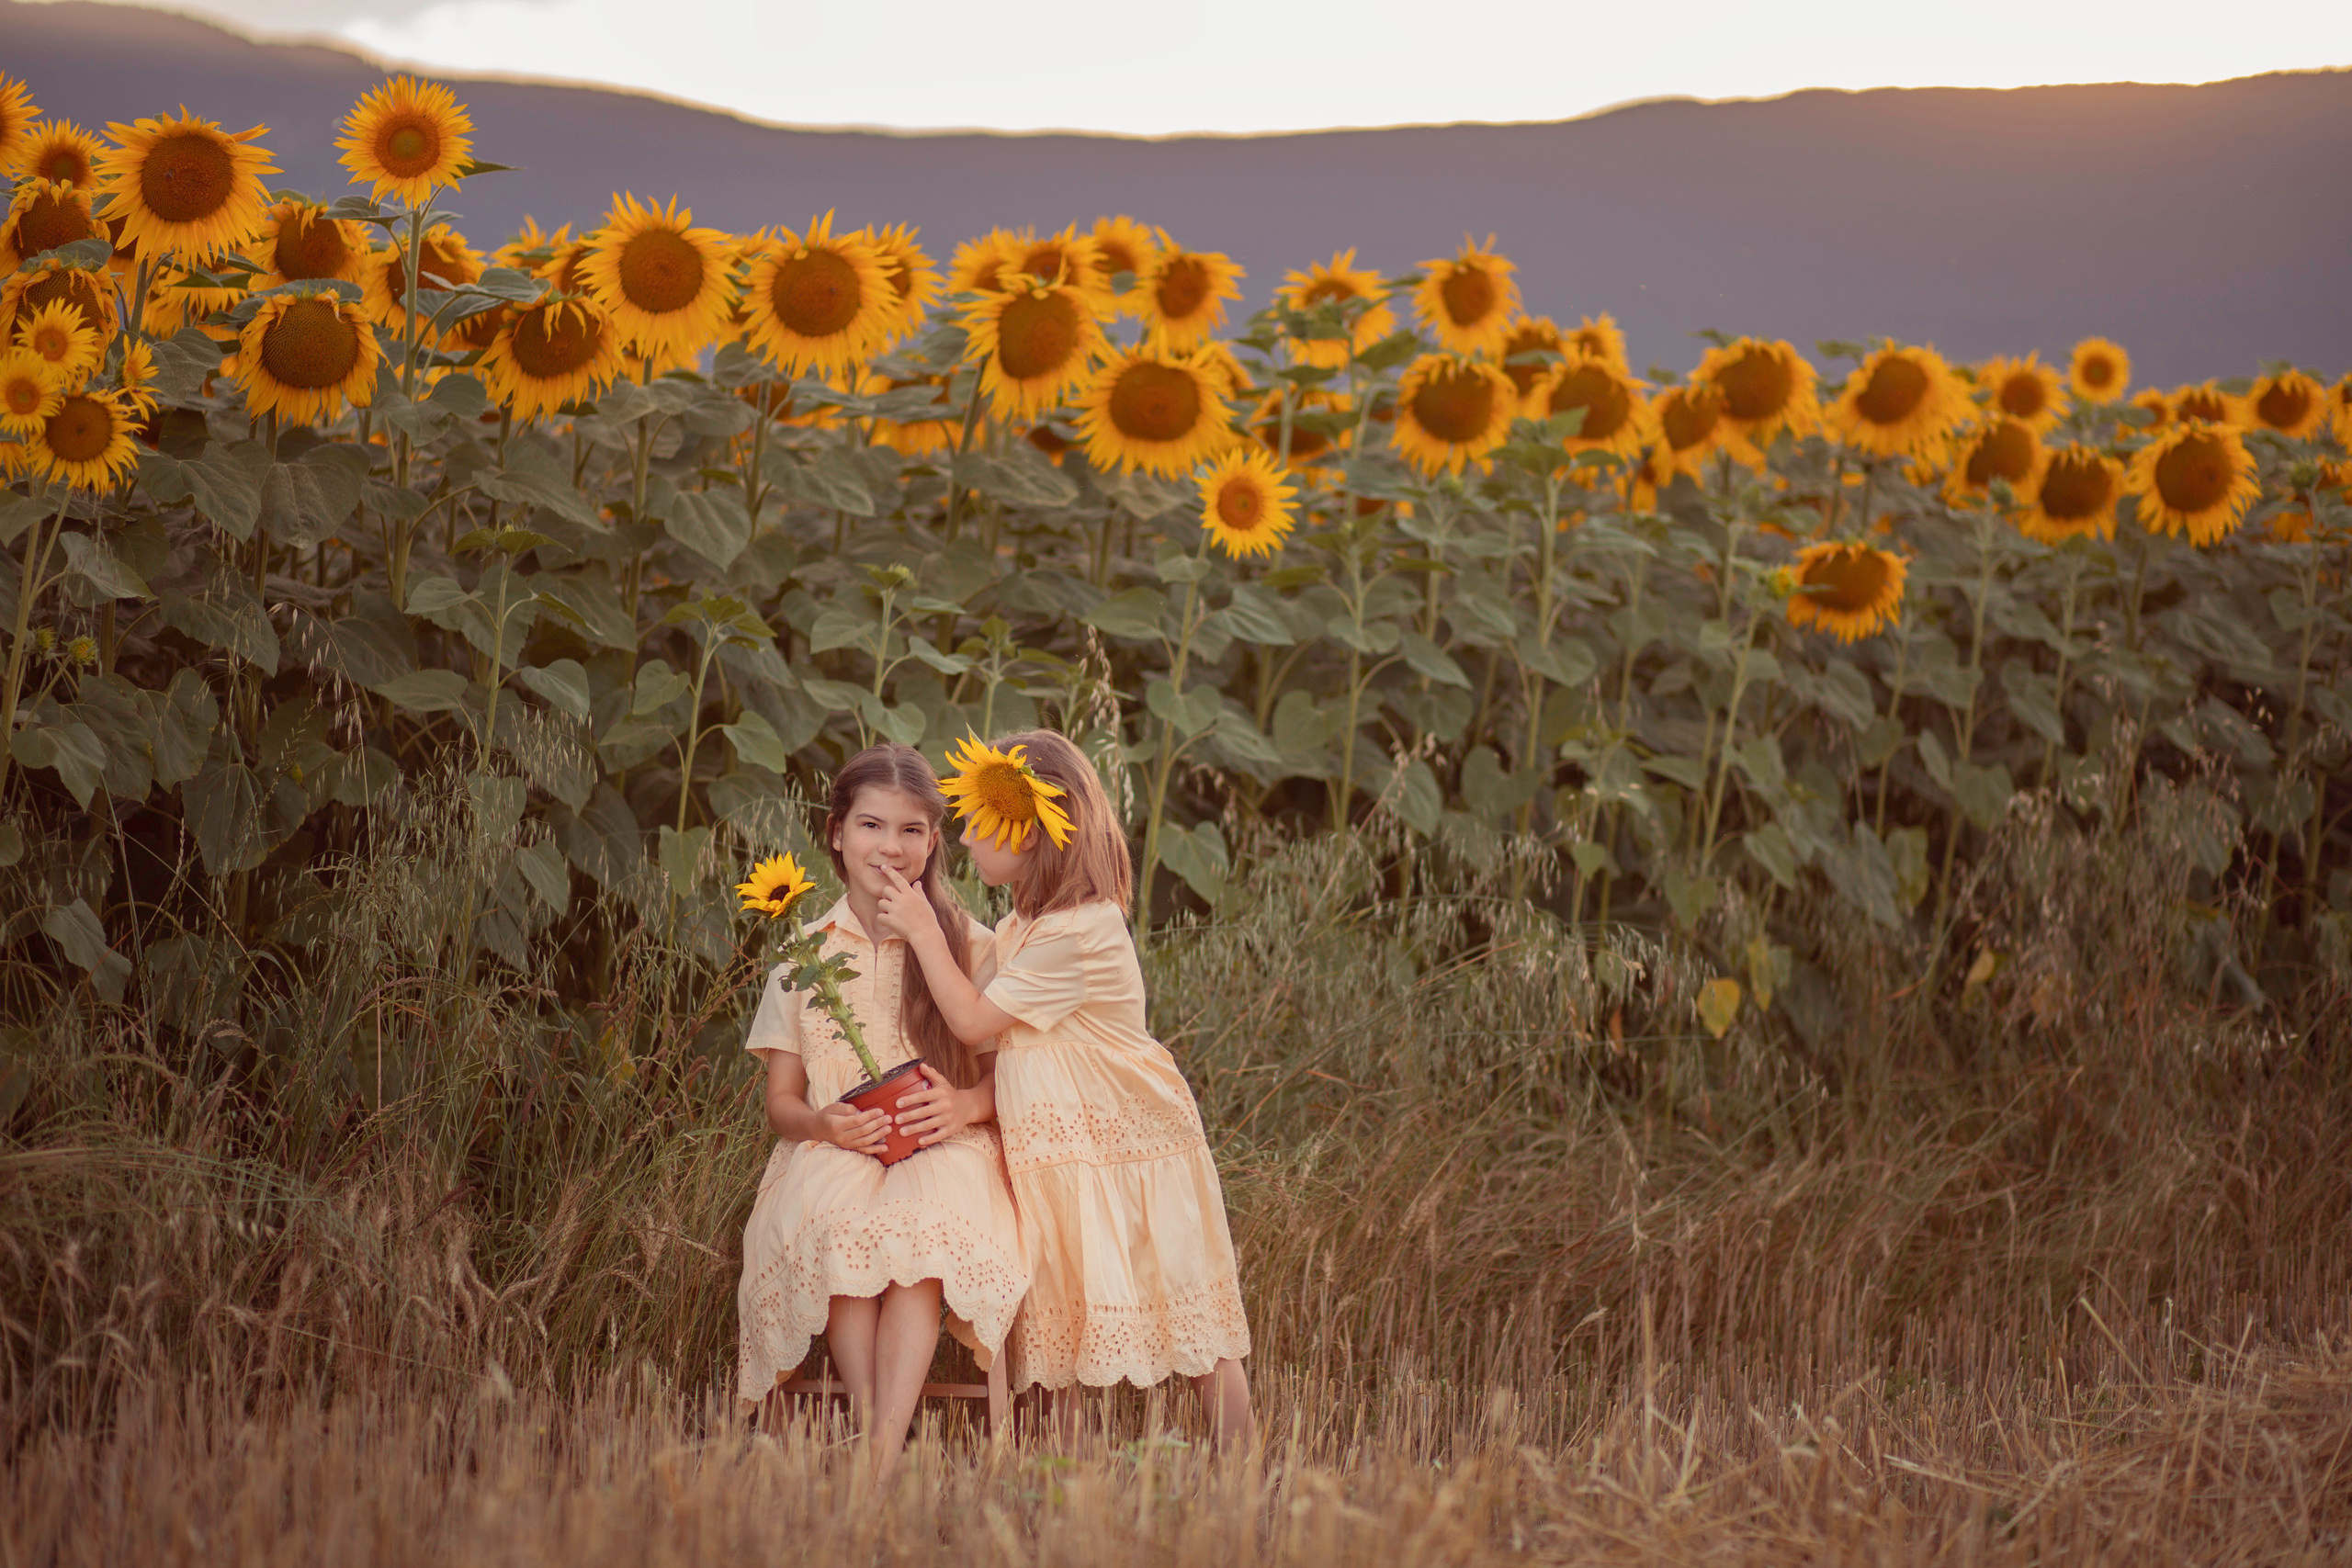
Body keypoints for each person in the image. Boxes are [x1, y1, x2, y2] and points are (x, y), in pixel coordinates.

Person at [876, 729, 1254, 1447]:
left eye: (984, 819)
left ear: (1037, 829)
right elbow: (1022, 1056)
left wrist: (927, 930)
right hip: (1068, 1155)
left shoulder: (1079, 930)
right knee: (1065, 1319)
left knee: (1191, 1318)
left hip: (1133, 1148)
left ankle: (1246, 1467)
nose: (968, 831)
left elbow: (971, 1017)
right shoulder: (1025, 924)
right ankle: (1063, 1482)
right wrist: (966, 1101)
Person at [734, 743, 1027, 1484]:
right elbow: (783, 1103)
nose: (889, 847)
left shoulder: (972, 944)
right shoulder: (804, 955)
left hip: (946, 1144)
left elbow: (1017, 1079)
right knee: (837, 1223)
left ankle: (873, 1460)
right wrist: (824, 1124)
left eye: (910, 830)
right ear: (835, 833)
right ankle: (880, 1449)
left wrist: (963, 1106)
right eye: (870, 825)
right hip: (838, 1146)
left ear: (933, 841)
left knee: (922, 1232)